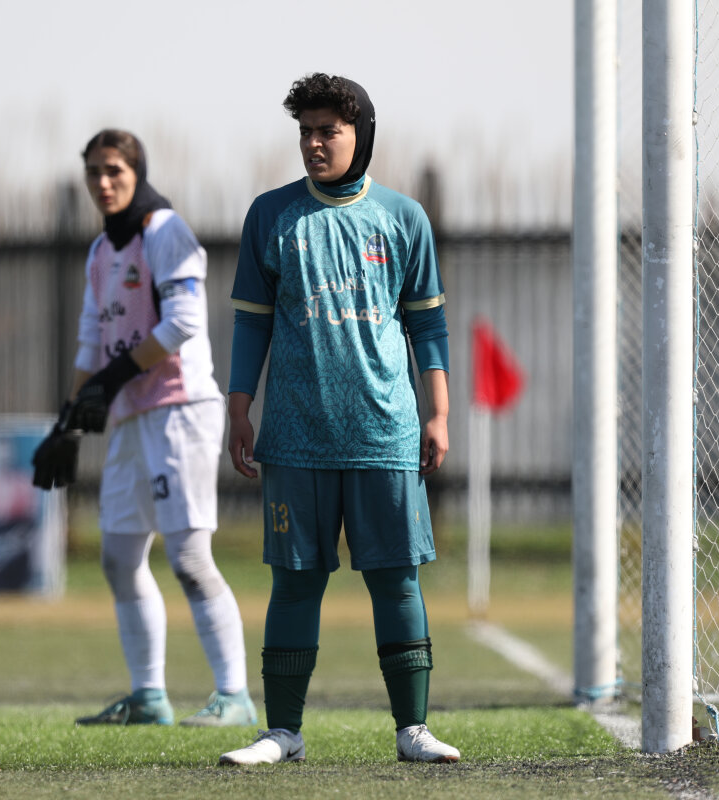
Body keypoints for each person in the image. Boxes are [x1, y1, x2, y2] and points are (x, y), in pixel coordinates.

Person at [217, 74, 460, 766]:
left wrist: (439, 412)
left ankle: (412, 730)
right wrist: (240, 406)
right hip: (295, 436)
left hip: (386, 432)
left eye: (329, 131)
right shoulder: (270, 216)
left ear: (363, 135)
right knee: (295, 582)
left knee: (397, 579)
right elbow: (252, 324)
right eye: (306, 132)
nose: (315, 144)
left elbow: (428, 326)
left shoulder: (404, 218)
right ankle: (282, 733)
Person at [32, 129, 256, 728]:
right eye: (94, 172)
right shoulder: (100, 252)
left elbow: (183, 323)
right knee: (118, 556)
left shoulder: (164, 230)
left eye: (114, 171)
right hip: (131, 415)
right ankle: (149, 696)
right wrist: (69, 422)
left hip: (180, 409)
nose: (103, 182)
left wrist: (110, 379)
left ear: (137, 172)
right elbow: (91, 341)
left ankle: (234, 696)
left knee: (188, 556)